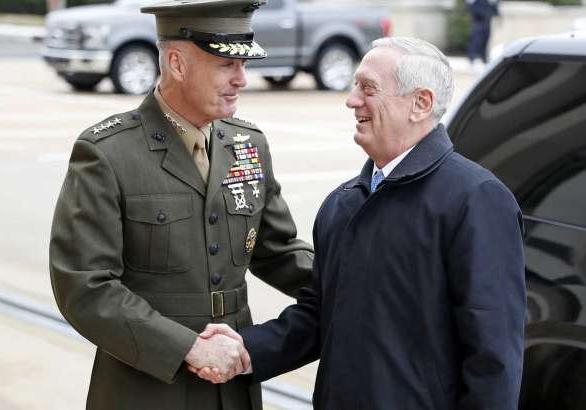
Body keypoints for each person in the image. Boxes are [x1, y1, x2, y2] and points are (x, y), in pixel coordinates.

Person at [193, 37, 526, 410]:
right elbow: (319, 318)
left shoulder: (475, 200)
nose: (352, 100)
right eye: (354, 86)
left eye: (368, 88)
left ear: (421, 103)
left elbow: (493, 359)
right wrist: (245, 349)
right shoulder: (343, 204)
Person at [48, 1, 313, 409]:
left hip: (233, 385)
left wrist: (359, 281)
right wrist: (188, 347)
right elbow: (84, 286)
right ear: (176, 63)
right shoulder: (108, 153)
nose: (242, 79)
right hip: (146, 387)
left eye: (243, 65)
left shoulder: (248, 145)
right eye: (227, 65)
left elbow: (278, 251)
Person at [466, 0, 500, 64]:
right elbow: (472, 7)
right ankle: (471, 57)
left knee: (485, 40)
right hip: (478, 22)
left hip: (487, 22)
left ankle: (483, 57)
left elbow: (495, 10)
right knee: (476, 40)